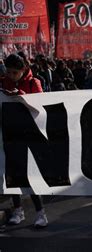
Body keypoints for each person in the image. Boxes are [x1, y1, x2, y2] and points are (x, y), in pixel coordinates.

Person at [0, 53, 48, 228]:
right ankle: (18, 210)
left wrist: (19, 95)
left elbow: (40, 107)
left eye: (14, 73)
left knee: (30, 177)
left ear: (23, 70)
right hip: (10, 135)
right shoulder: (4, 81)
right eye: (8, 72)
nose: (11, 76)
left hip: (30, 135)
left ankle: (40, 213)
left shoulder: (33, 82)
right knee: (12, 175)